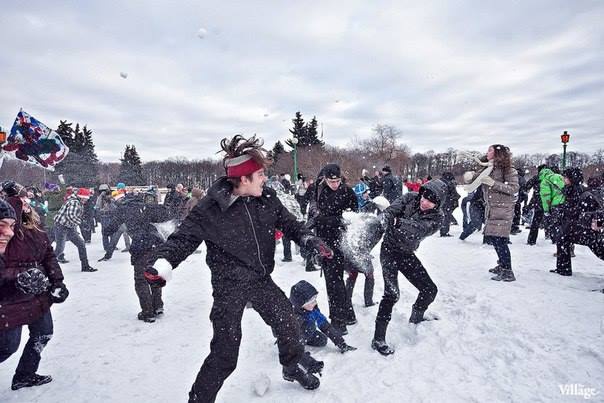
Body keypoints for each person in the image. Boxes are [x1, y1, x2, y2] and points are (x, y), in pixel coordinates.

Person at [144, 135, 332, 402]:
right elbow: (183, 239)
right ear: (243, 179)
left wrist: (308, 238)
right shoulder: (211, 208)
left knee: (289, 325)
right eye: (260, 174)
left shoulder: (266, 198)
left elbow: (289, 223)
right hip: (229, 285)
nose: (265, 179)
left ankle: (291, 367)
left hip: (260, 278)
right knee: (225, 353)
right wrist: (163, 263)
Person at [0, 197, 69, 390]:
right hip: (11, 300)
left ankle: (25, 374)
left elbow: (49, 256)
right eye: (19, 198)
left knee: (43, 333)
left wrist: (58, 282)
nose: (26, 201)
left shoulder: (36, 228)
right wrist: (17, 279)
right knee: (6, 347)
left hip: (39, 293)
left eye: (26, 197)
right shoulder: (8, 232)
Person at [371, 179, 446, 356]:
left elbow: (419, 229)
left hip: (406, 253)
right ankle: (378, 339)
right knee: (392, 294)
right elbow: (391, 211)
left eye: (430, 201)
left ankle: (416, 317)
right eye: (424, 197)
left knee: (429, 290)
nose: (424, 202)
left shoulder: (437, 217)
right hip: (389, 250)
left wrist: (398, 223)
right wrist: (386, 219)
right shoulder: (410, 198)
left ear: (437, 204)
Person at [101, 192, 173, 322]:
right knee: (154, 274)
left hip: (141, 246)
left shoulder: (124, 209)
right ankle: (158, 306)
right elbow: (165, 216)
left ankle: (147, 312)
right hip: (156, 244)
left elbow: (108, 229)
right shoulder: (146, 206)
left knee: (141, 280)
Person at [308, 163, 359, 335]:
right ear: (325, 179)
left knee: (334, 282)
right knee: (334, 280)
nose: (335, 184)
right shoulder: (319, 189)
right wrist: (315, 220)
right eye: (331, 181)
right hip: (324, 240)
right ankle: (348, 315)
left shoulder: (348, 193)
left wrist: (327, 220)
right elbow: (314, 208)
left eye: (337, 181)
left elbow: (352, 218)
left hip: (340, 241)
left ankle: (339, 322)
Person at [464, 145, 519, 282]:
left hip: (503, 208)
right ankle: (502, 264)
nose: (486, 152)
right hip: (492, 208)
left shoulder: (508, 170)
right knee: (495, 238)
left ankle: (507, 271)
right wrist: (470, 176)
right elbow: (478, 178)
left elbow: (513, 188)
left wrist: (494, 183)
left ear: (497, 153)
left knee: (500, 240)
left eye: (490, 150)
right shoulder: (489, 167)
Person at [289, 280, 356, 352]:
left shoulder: (313, 311)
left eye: (315, 300)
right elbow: (284, 331)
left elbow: (326, 326)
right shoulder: (294, 316)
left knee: (322, 340)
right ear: (300, 305)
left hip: (307, 333)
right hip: (293, 338)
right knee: (299, 337)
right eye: (311, 302)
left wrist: (341, 343)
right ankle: (297, 351)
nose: (315, 303)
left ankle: (305, 340)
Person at [53, 188, 96, 272]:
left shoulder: (77, 202)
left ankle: (85, 266)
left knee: (81, 244)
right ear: (81, 197)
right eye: (85, 199)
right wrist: (81, 223)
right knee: (59, 249)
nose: (86, 201)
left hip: (69, 227)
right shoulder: (74, 202)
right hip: (61, 226)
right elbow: (70, 216)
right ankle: (46, 266)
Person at [439, 172, 460, 237]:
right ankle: (444, 232)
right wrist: (457, 197)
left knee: (443, 215)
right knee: (446, 216)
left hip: (441, 201)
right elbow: (454, 193)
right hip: (448, 201)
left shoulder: (439, 182)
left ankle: (442, 229)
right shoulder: (450, 183)